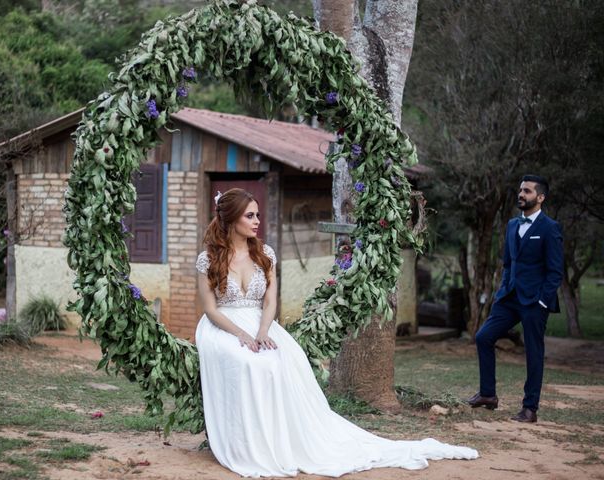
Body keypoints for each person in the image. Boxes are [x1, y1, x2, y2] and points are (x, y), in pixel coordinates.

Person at [195, 188, 478, 477]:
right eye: (250, 215)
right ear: (231, 219)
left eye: (258, 215)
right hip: (223, 326)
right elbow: (210, 310)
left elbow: (270, 301)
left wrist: (263, 330)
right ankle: (248, 443)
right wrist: (241, 334)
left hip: (260, 323)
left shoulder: (264, 254)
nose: (257, 221)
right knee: (247, 362)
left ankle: (281, 439)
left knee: (279, 360)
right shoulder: (208, 259)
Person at [468, 175, 564, 423]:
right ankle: (488, 395)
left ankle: (530, 409)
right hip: (509, 297)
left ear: (540, 197)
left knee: (533, 353)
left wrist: (543, 300)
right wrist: (503, 289)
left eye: (528, 191)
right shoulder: (512, 225)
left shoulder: (550, 228)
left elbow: (555, 271)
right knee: (483, 337)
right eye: (521, 190)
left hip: (534, 301)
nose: (521, 194)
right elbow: (508, 263)